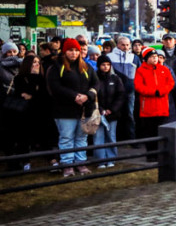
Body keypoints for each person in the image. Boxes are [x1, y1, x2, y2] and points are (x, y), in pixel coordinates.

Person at [46, 39, 99, 177]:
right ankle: (68, 165)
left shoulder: (86, 66)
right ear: (65, 51)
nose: (74, 53)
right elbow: (55, 87)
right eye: (70, 50)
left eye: (76, 50)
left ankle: (80, 162)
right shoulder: (57, 67)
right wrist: (74, 96)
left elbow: (96, 83)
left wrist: (88, 96)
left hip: (84, 109)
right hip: (64, 110)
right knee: (66, 138)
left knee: (81, 137)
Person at [134, 47, 175, 163]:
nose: (155, 59)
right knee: (149, 132)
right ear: (146, 58)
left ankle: (160, 154)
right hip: (148, 107)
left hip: (162, 106)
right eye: (152, 57)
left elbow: (170, 83)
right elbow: (138, 86)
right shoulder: (141, 71)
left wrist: (161, 91)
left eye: (156, 57)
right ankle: (151, 154)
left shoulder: (164, 69)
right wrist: (153, 92)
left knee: (161, 131)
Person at [11, 54, 47, 170]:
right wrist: (32, 94)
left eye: (38, 62)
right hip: (24, 112)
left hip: (39, 111)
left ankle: (48, 158)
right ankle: (25, 161)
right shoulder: (20, 78)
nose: (37, 64)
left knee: (41, 136)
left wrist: (32, 96)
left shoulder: (42, 78)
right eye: (34, 62)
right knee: (23, 137)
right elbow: (21, 94)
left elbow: (43, 95)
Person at [94, 54, 125, 169]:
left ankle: (111, 159)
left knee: (111, 136)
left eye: (108, 65)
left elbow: (121, 95)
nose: (106, 67)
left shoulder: (115, 78)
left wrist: (112, 109)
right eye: (103, 65)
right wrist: (101, 110)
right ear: (99, 65)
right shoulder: (94, 78)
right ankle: (101, 160)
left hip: (112, 113)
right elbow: (93, 95)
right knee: (98, 137)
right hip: (98, 114)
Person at [109, 36, 140, 140]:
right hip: (114, 91)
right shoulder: (110, 57)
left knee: (130, 115)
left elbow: (139, 73)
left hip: (130, 91)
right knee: (115, 115)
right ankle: (117, 138)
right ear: (118, 45)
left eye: (127, 45)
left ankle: (131, 139)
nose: (125, 47)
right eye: (123, 45)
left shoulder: (134, 58)